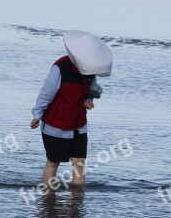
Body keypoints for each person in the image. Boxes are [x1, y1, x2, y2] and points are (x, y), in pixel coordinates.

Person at [30, 31, 113, 187]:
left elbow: (94, 89)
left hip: (79, 126)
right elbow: (46, 93)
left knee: (79, 163)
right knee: (53, 162)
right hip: (56, 125)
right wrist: (37, 114)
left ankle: (77, 198)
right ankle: (48, 196)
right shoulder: (60, 68)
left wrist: (88, 99)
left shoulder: (91, 70)